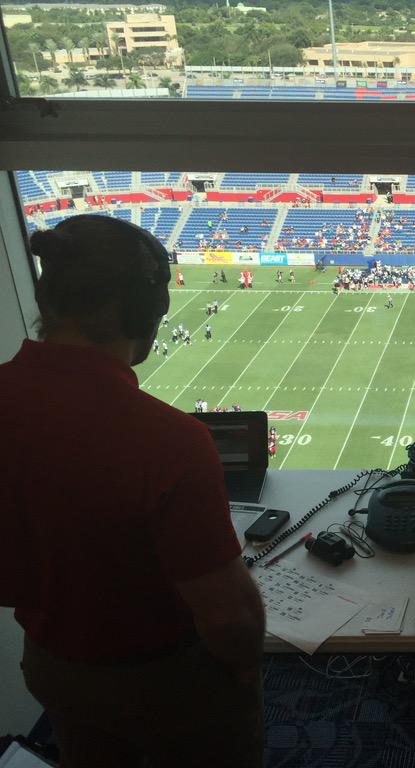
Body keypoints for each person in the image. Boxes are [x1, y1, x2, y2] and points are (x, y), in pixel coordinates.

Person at [0, 215, 264, 766]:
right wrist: (244, 665)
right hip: (162, 679)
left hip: (49, 665)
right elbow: (228, 616)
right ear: (145, 311)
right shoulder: (169, 439)